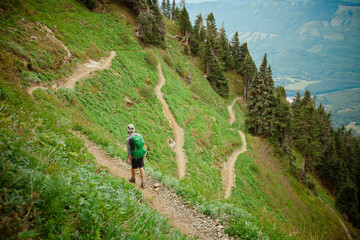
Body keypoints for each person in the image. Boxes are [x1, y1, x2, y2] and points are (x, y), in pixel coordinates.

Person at [126, 124, 146, 188]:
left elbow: (129, 150)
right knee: (141, 167)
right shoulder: (139, 135)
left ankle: (133, 179)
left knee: (133, 167)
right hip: (141, 154)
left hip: (134, 155)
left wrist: (128, 158)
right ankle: (143, 182)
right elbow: (143, 144)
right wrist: (144, 152)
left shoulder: (128, 139)